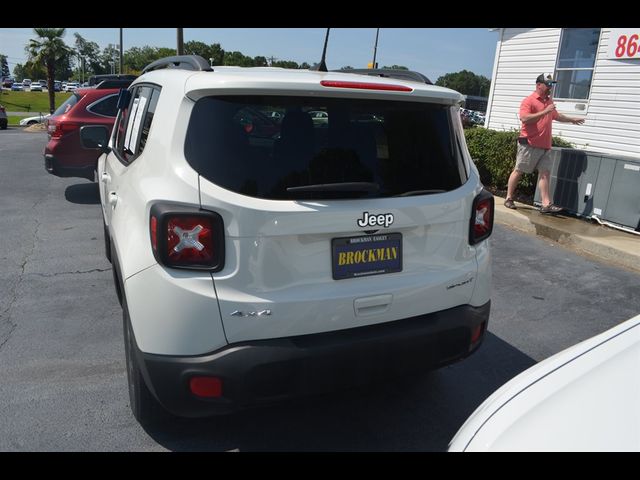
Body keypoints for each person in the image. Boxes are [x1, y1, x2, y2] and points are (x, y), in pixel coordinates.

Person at [504, 73, 585, 213]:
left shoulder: (548, 102)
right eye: (548, 85)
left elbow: (557, 116)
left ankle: (546, 204)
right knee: (519, 170)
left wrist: (572, 119)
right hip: (529, 143)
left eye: (551, 85)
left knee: (545, 173)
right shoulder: (529, 101)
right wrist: (544, 111)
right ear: (538, 85)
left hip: (545, 145)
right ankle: (509, 198)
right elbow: (524, 118)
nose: (550, 88)